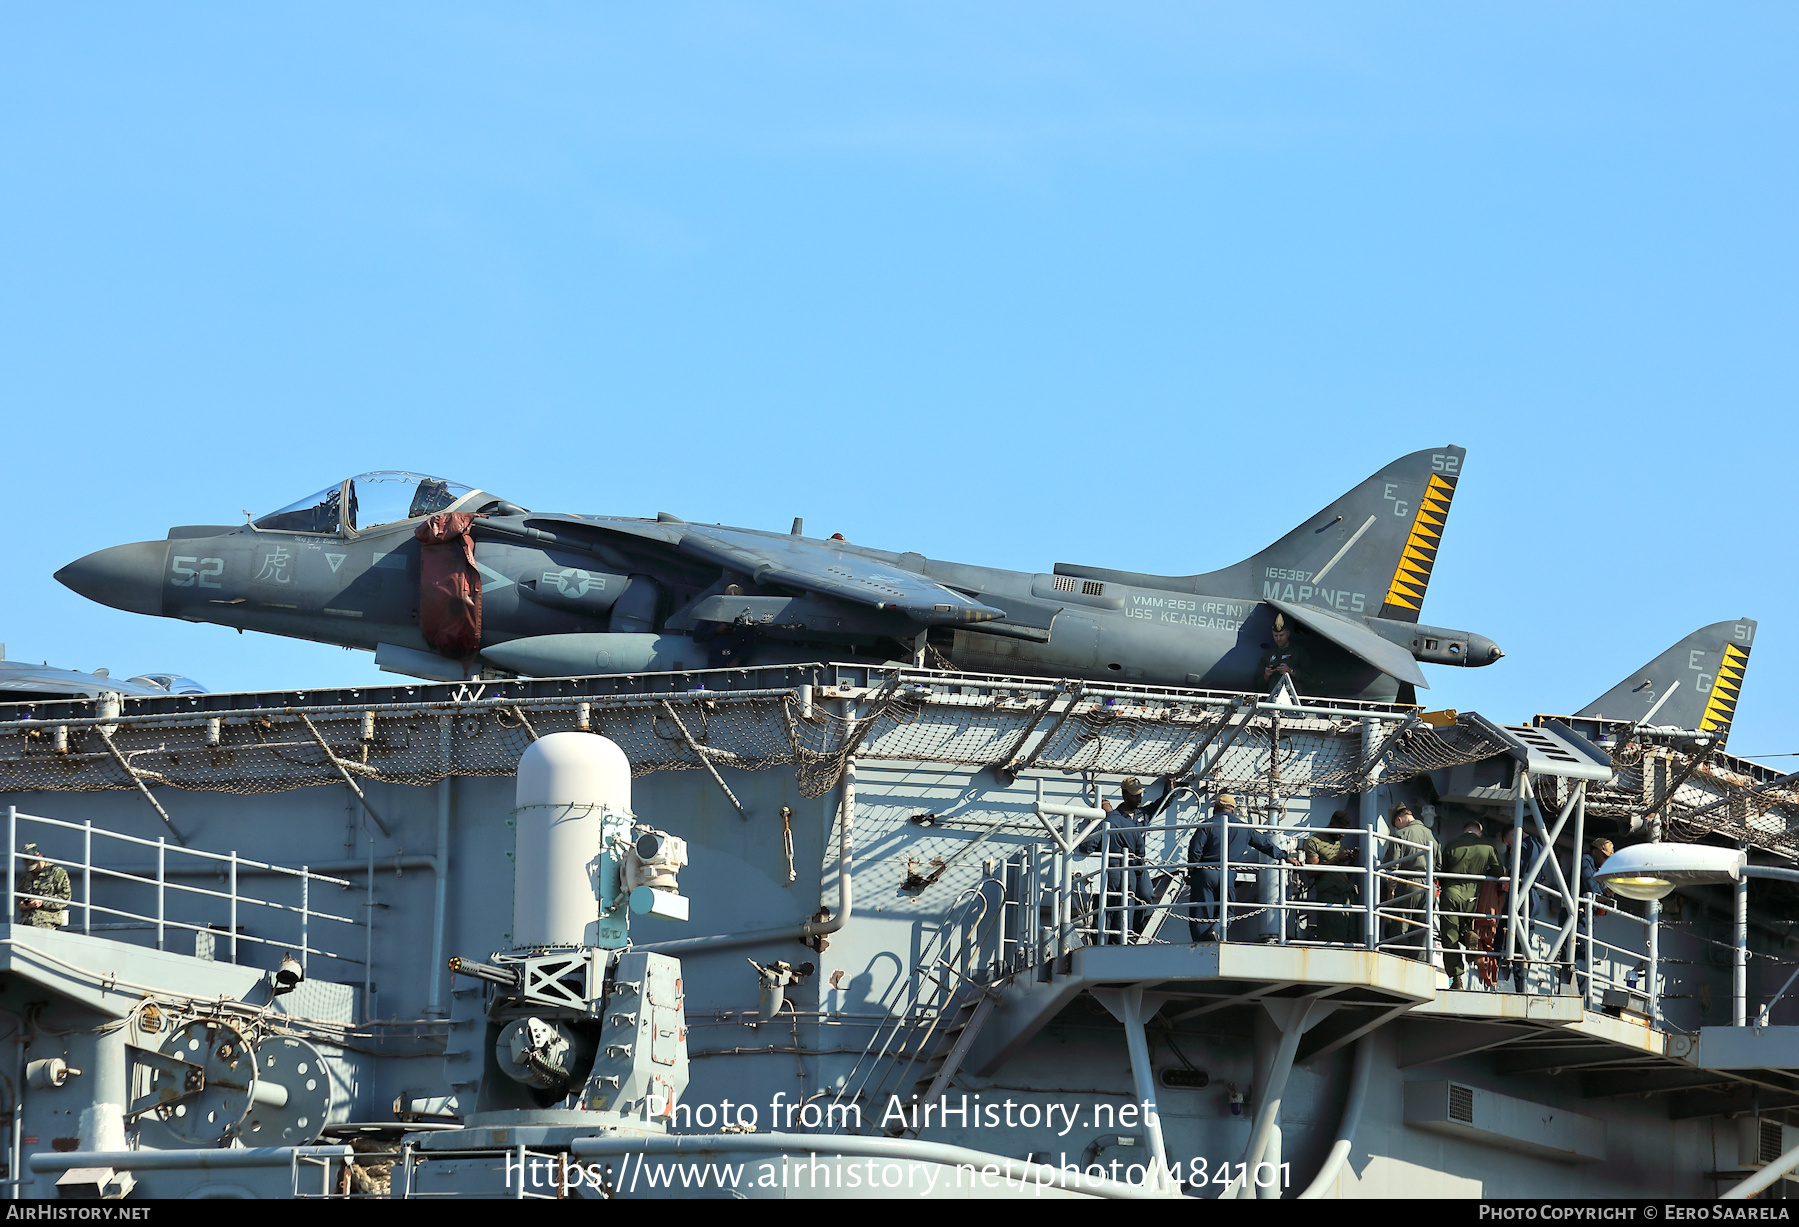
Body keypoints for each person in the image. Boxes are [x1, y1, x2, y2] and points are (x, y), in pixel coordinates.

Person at [1187, 793, 1296, 942]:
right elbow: (1264, 843)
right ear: (1233, 809)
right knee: (1227, 910)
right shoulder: (1244, 828)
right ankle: (1217, 929)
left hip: (1206, 872)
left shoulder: (1207, 825)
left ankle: (1201, 943)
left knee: (1202, 911)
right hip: (1229, 874)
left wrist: (1193, 871)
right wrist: (1284, 856)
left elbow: (1195, 850)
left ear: (1217, 806)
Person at [1081, 778, 1154, 944]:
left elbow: (1087, 847)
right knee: (1124, 910)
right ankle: (1121, 942)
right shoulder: (1131, 825)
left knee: (1104, 910)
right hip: (1130, 874)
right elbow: (1140, 853)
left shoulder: (1105, 823)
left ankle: (1100, 942)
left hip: (1111, 871)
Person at [1440, 819, 1504, 990]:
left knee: (1449, 936)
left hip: (1451, 894)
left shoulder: (1451, 845)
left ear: (1464, 831)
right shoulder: (1488, 848)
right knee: (1465, 925)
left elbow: (1441, 870)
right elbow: (1499, 871)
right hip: (1472, 897)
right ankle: (1469, 934)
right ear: (1479, 832)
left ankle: (1456, 980)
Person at [1302, 811, 1362, 944]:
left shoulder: (1341, 844)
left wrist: (1351, 861)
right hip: (1329, 894)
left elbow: (1345, 876)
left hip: (1345, 896)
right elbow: (1310, 872)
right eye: (1340, 830)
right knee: (1332, 936)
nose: (1342, 834)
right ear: (1332, 823)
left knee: (1348, 936)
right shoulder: (1314, 841)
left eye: (1345, 831)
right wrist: (1336, 859)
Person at [1386, 805, 1439, 953]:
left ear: (1399, 819)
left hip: (1409, 883)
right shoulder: (1432, 836)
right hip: (1429, 885)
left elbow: (1392, 864)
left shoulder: (1401, 834)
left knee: (1401, 926)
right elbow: (1439, 865)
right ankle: (1420, 963)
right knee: (1422, 930)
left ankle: (1399, 960)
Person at [1503, 824, 1546, 993]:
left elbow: (1518, 871)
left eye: (1509, 843)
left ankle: (1515, 983)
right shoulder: (1541, 847)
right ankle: (1522, 984)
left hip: (1521, 896)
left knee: (1514, 942)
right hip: (1534, 898)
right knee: (1525, 939)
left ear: (1514, 835)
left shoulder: (1523, 847)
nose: (1510, 848)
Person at [1570, 838, 1616, 986]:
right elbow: (1590, 887)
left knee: (1583, 951)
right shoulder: (1586, 861)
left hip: (1582, 914)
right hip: (1575, 913)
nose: (1606, 861)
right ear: (1594, 851)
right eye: (1604, 857)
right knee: (1581, 949)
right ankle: (1576, 987)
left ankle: (1578, 987)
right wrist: (1603, 893)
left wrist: (1607, 892)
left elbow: (1596, 889)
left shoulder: (1595, 867)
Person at [16, 843, 69, 930]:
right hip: (25, 921)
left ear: (40, 857)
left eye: (34, 866)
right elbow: (18, 900)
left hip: (47, 921)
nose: (33, 869)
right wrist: (24, 905)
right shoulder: (25, 876)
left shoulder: (57, 873)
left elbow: (65, 898)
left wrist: (43, 902)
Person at [1253, 614, 1309, 695]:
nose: (1278, 639)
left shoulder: (1299, 652)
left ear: (1288, 633)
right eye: (1275, 636)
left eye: (1281, 635)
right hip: (1273, 697)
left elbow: (1310, 679)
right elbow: (1259, 684)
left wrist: (1291, 671)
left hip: (1292, 698)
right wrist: (1266, 675)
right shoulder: (1269, 655)